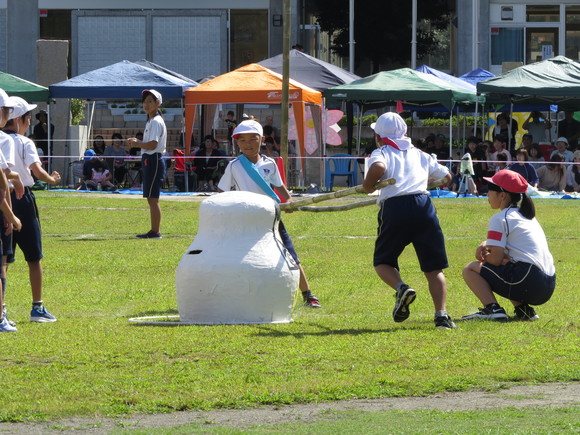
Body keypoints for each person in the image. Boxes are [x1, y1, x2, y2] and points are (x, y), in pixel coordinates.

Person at [362, 112, 455, 329]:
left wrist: (368, 187)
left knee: (382, 261)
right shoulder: (420, 154)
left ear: (378, 136)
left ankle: (401, 288)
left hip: (395, 207)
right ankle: (442, 316)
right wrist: (427, 180)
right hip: (424, 206)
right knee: (434, 268)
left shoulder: (381, 151)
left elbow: (378, 168)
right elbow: (448, 177)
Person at [217, 119, 321, 309]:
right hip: (246, 220)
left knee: (290, 254)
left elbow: (279, 186)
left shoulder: (270, 164)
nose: (248, 144)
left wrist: (288, 201)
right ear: (237, 142)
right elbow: (222, 192)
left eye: (253, 139)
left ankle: (308, 295)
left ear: (262, 139)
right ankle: (236, 295)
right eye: (243, 140)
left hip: (271, 218)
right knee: (240, 257)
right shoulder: (234, 166)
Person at [461, 170, 555, 322]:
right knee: (508, 264)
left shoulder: (500, 218)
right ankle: (524, 311)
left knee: (470, 268)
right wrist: (487, 245)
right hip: (547, 284)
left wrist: (483, 254)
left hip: (529, 280)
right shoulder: (525, 216)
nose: (487, 194)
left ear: (502, 195)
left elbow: (495, 260)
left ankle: (493, 309)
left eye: (490, 190)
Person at [3, 97, 61, 326]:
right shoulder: (26, 142)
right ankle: (37, 307)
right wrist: (52, 179)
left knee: (4, 258)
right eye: (28, 117)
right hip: (22, 198)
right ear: (19, 120)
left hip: (2, 200)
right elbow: (37, 171)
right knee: (34, 256)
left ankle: (3, 308)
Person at [127, 89, 166, 239]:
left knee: (153, 198)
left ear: (157, 103)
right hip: (150, 160)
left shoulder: (155, 121)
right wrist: (139, 143)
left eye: (150, 101)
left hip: (154, 160)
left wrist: (138, 143)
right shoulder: (151, 120)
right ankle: (154, 230)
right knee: (151, 198)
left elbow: (152, 144)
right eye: (145, 101)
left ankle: (155, 231)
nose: (146, 104)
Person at [0, 90, 23, 332]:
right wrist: (10, 214)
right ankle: (1, 312)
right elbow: (2, 177)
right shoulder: (4, 140)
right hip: (2, 206)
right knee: (2, 262)